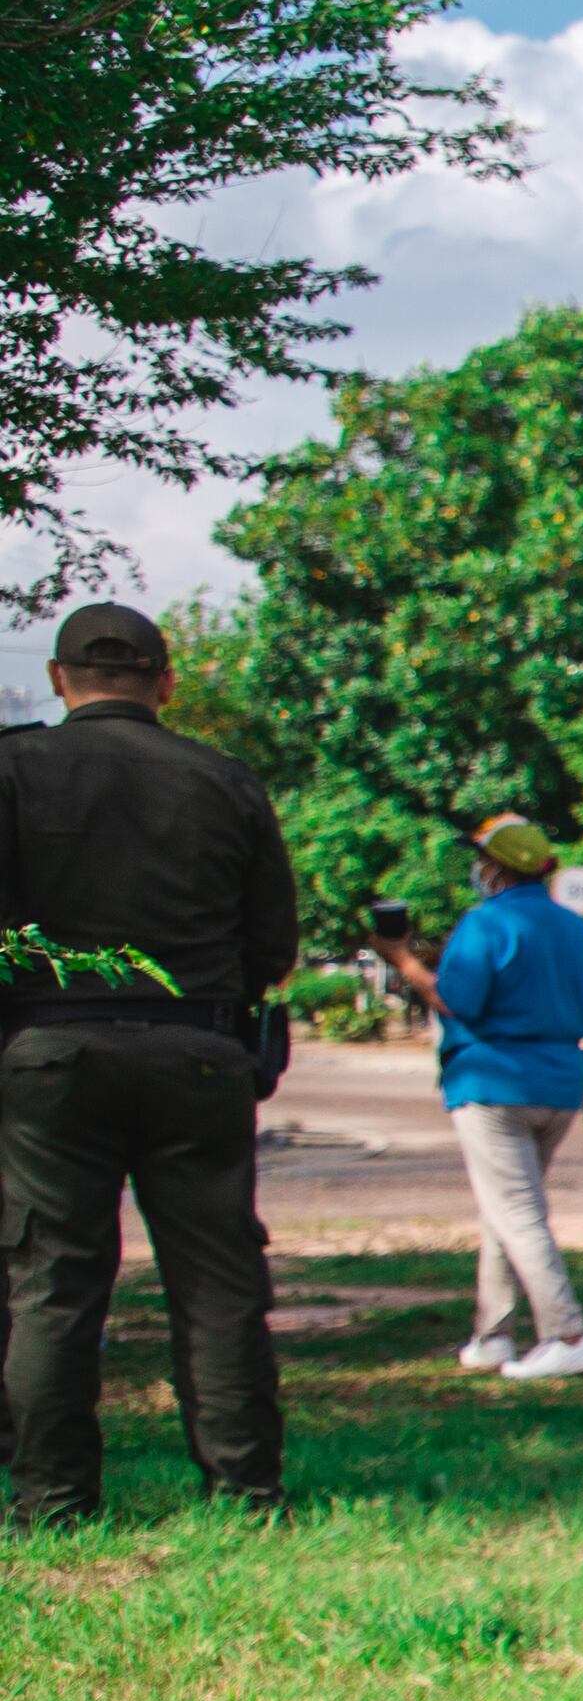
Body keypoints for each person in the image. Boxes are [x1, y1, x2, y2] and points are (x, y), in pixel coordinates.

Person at [0, 602, 296, 1524]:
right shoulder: (223, 780)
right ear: (166, 682)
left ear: (60, 679)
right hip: (196, 1050)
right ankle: (245, 1492)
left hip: (47, 1050)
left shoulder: (12, 770)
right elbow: (272, 942)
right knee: (216, 1282)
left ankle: (51, 1499)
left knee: (51, 1279)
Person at [368, 812, 583, 1381]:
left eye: (481, 858)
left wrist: (402, 959)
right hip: (559, 1085)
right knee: (507, 1207)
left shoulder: (484, 924)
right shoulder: (575, 928)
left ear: (498, 867)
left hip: (491, 1084)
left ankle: (569, 1333)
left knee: (515, 1209)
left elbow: (457, 1000)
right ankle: (493, 1335)